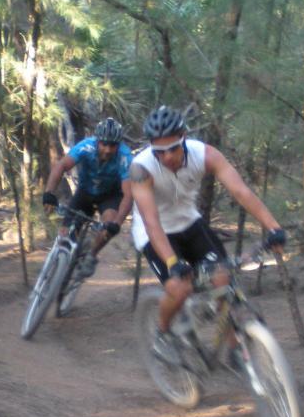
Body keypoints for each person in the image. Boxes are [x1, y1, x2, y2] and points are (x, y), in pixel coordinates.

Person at [128, 105, 286, 363]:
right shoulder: (141, 169)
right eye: (160, 151)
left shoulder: (206, 155)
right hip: (154, 232)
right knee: (179, 289)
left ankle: (235, 347)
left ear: (184, 139)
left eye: (174, 148)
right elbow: (151, 222)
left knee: (223, 279)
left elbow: (240, 192)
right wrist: (173, 262)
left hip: (190, 222)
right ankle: (163, 333)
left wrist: (274, 227)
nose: (167, 157)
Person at [42, 117, 133, 278]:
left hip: (110, 195)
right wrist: (49, 193)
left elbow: (128, 194)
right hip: (85, 191)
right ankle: (57, 266)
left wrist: (117, 224)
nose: (107, 149)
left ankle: (92, 255)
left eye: (112, 145)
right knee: (64, 234)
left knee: (109, 224)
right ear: (97, 141)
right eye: (104, 143)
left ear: (118, 145)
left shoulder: (125, 157)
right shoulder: (86, 147)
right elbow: (61, 166)